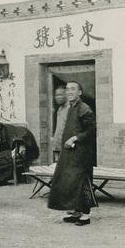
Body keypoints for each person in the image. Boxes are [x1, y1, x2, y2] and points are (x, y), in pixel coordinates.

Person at [47, 81, 97, 226]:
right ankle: (76, 212)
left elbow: (91, 131)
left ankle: (86, 215)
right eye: (67, 89)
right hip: (70, 152)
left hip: (82, 154)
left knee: (83, 182)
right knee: (71, 182)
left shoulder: (84, 108)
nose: (69, 92)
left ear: (80, 93)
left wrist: (76, 138)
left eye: (73, 89)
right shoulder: (71, 108)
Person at [51, 86, 70, 162]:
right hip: (57, 146)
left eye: (61, 95)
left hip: (66, 145)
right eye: (56, 95)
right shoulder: (59, 109)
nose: (58, 97)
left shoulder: (70, 108)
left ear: (66, 95)